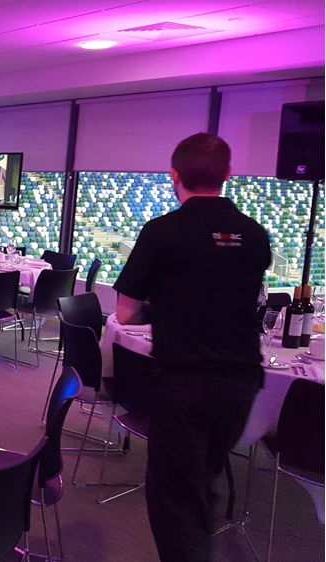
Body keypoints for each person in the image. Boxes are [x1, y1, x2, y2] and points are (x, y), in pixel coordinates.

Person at [113, 132, 271, 561]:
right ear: (228, 175)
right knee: (204, 480)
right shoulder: (255, 235)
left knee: (174, 502)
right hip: (240, 385)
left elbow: (125, 314)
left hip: (184, 385)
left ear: (174, 175)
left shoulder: (163, 232)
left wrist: (162, 310)